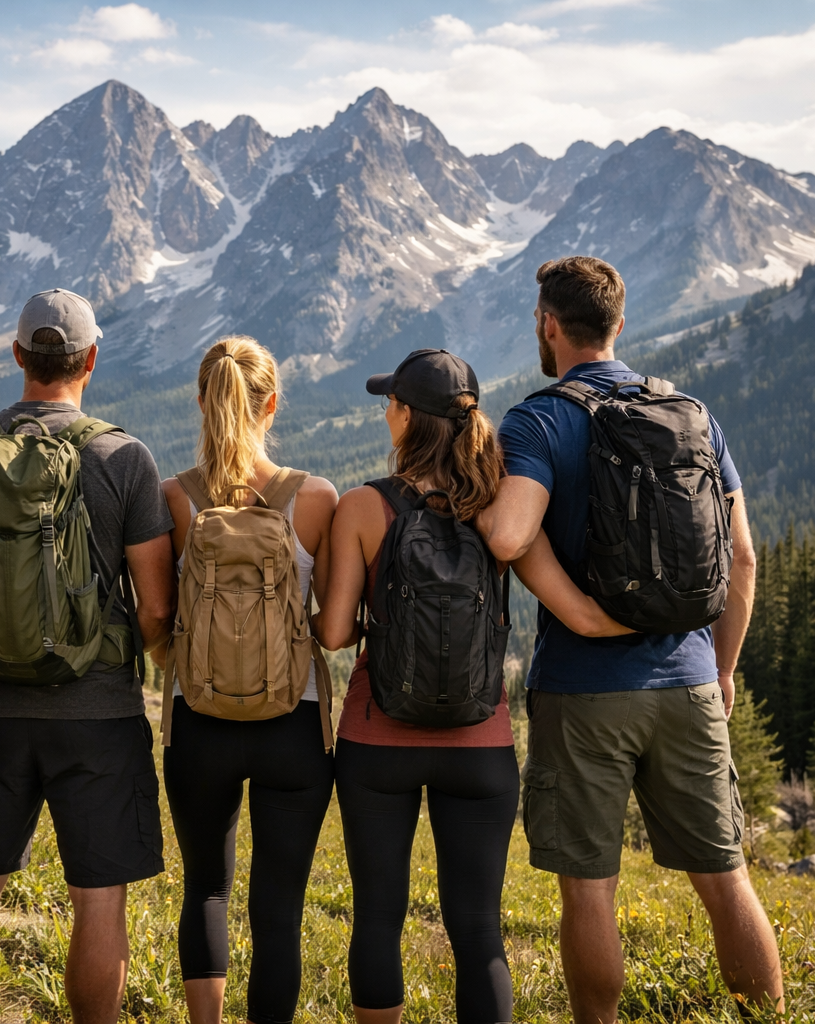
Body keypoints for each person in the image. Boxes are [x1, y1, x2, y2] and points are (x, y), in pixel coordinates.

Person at [478, 256, 783, 1023]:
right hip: (686, 679)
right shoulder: (692, 414)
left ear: (549, 324)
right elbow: (743, 558)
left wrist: (580, 614)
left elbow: (510, 535)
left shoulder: (540, 418)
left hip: (584, 692)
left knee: (589, 888)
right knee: (725, 877)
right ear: (619, 325)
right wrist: (721, 669)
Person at [316, 348, 633, 1024]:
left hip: (378, 741)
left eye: (390, 404)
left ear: (405, 416)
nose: (386, 415)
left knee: (377, 915)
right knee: (478, 928)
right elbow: (567, 604)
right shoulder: (496, 511)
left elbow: (337, 633)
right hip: (480, 745)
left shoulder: (365, 507)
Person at [0, 289, 177, 1024]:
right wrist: (99, 654)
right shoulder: (123, 455)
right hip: (100, 711)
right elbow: (158, 606)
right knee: (98, 896)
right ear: (92, 360)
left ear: (17, 357)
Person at [159, 336, 339, 1024]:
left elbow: (155, 611)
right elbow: (334, 624)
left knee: (205, 887)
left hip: (198, 717)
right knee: (279, 907)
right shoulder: (316, 497)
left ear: (202, 401)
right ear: (272, 405)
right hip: (294, 719)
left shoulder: (174, 498)